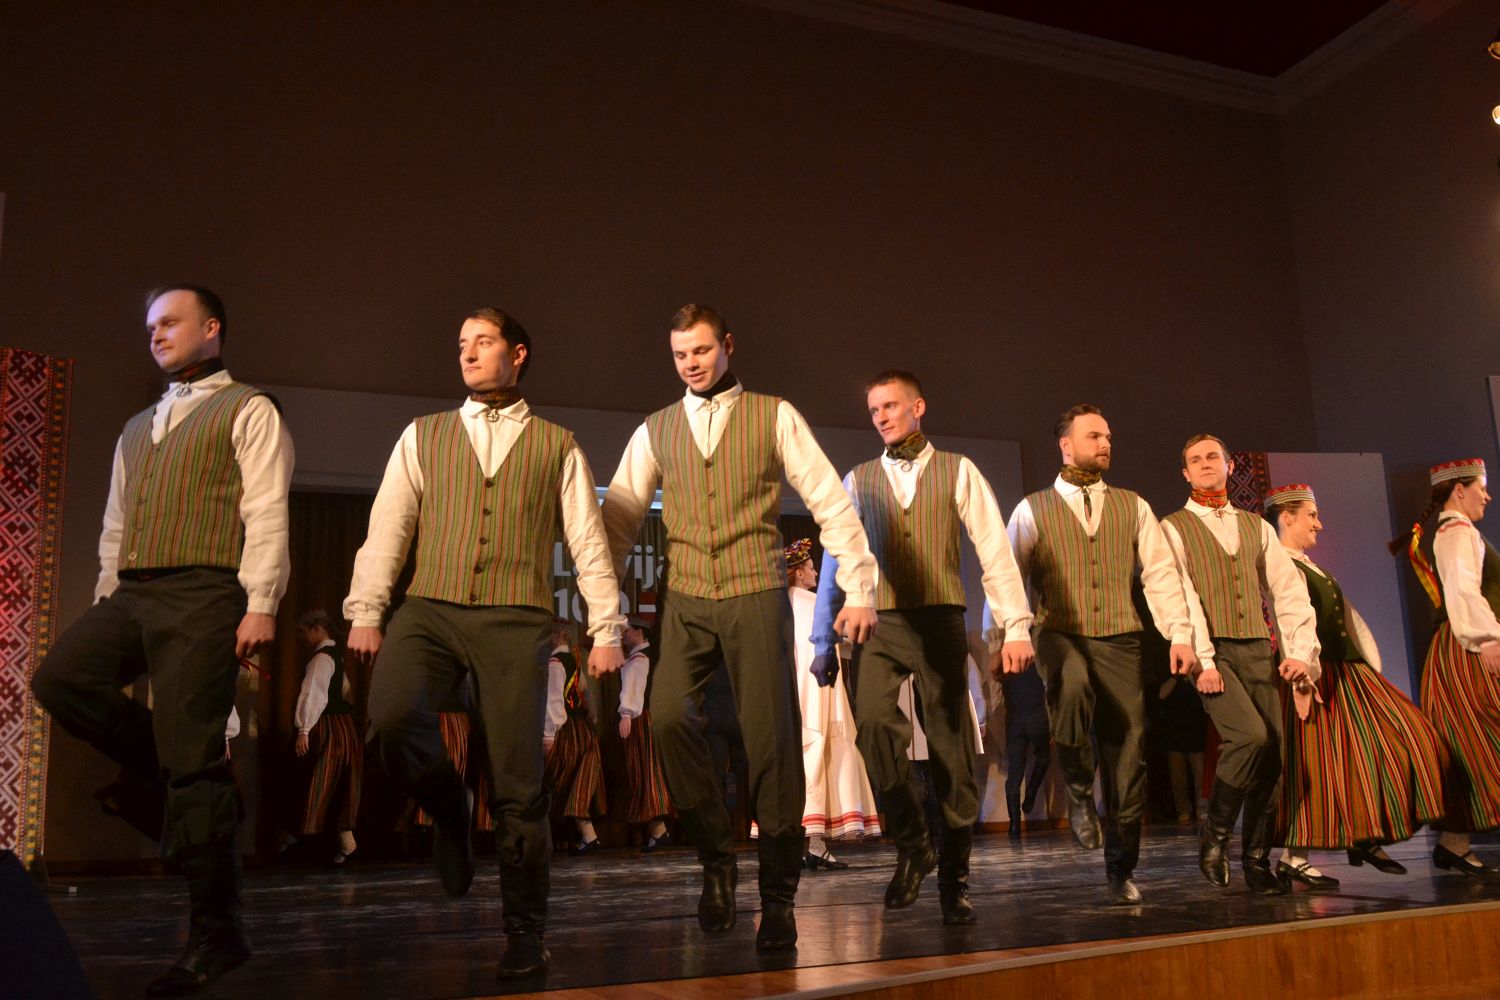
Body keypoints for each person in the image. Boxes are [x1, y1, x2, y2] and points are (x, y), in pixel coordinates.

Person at [345, 307, 624, 979]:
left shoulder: (557, 445)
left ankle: (526, 931)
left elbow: (587, 542)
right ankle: (449, 803)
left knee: (519, 782)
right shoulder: (423, 435)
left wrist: (606, 626)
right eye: (462, 344)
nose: (467, 354)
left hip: (516, 615)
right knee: (389, 717)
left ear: (517, 353)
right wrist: (367, 608)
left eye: (483, 342)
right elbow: (389, 526)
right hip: (431, 606)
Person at [32, 285, 294, 995]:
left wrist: (261, 602)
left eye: (170, 322)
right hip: (135, 591)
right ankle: (171, 773)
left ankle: (218, 934)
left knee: (194, 763)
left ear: (212, 329)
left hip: (206, 593)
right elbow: (115, 525)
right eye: (150, 326)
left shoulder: (248, 409)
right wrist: (105, 602)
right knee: (59, 679)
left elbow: (267, 511)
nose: (156, 334)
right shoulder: (136, 427)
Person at [601, 303, 878, 951]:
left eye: (701, 350)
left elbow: (829, 501)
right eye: (680, 355)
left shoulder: (772, 415)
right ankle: (714, 860)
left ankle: (778, 896)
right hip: (687, 595)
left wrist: (861, 587)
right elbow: (617, 522)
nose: (691, 364)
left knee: (772, 742)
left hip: (754, 589)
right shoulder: (656, 429)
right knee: (669, 717)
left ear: (727, 345)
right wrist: (601, 615)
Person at [812, 369, 1031, 923]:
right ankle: (914, 844)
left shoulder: (959, 470)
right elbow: (835, 560)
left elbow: (994, 553)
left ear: (918, 407)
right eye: (874, 410)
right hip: (879, 622)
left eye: (890, 406)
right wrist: (821, 638)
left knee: (951, 750)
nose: (881, 417)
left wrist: (1015, 627)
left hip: (939, 620)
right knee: (873, 728)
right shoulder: (859, 479)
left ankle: (955, 880)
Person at [998, 404, 1198, 905]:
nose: (1106, 443)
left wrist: (1179, 634)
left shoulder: (1133, 506)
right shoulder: (1032, 509)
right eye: (1094, 436)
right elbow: (1007, 575)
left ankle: (1120, 867)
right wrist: (1007, 634)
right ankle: (1079, 788)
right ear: (1065, 445)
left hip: (1120, 636)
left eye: (1108, 436)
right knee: (1070, 683)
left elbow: (1160, 574)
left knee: (1128, 751)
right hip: (1058, 630)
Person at [1263, 483, 1446, 888]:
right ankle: (1296, 857)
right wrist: (1303, 677)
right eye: (1311, 516)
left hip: (1347, 672)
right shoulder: (1281, 566)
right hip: (1314, 674)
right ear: (1286, 518)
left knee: (1397, 741)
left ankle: (1364, 835)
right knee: (1317, 762)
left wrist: (1366, 661)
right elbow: (1291, 622)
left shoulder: (1309, 565)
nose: (1319, 524)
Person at [1161, 435, 1318, 895]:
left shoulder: (1256, 527)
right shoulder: (1173, 527)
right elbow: (1180, 594)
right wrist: (1204, 660)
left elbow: (1287, 591)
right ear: (1185, 473)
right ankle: (1215, 835)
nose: (1205, 464)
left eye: (1213, 457)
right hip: (1212, 652)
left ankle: (1256, 861)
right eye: (1195, 460)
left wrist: (1297, 652)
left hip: (1256, 649)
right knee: (1249, 736)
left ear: (1229, 466)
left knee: (1273, 757)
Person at [1391, 458, 1500, 874]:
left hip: (1458, 646)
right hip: (1469, 646)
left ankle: (1455, 843)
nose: (1487, 496)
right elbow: (1463, 591)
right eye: (1481, 488)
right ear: (1459, 490)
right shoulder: (1457, 532)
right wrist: (1487, 638)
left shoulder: (1455, 530)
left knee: (1470, 743)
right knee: (1480, 737)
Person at [782, 538, 881, 871]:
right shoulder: (811, 604)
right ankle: (812, 843)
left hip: (795, 693)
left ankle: (810, 844)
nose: (815, 573)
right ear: (798, 573)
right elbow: (846, 636)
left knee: (805, 758)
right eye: (810, 568)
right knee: (823, 754)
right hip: (820, 689)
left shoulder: (783, 607)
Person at [292, 610, 361, 864]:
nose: (301, 637)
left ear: (317, 629)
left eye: (303, 631)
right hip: (344, 727)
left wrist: (304, 730)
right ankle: (344, 844)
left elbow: (313, 694)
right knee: (339, 782)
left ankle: (311, 841)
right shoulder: (335, 656)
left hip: (328, 727)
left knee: (319, 780)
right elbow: (346, 693)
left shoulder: (321, 659)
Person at [543, 618, 607, 853]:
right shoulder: (575, 660)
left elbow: (553, 702)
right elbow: (587, 695)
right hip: (583, 729)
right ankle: (581, 836)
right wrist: (593, 720)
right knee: (576, 782)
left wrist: (548, 735)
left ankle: (581, 836)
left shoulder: (555, 664)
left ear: (557, 636)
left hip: (567, 730)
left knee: (564, 782)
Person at [613, 618, 672, 850]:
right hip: (651, 718)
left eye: (627, 631)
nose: (623, 635)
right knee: (647, 771)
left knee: (641, 772)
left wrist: (626, 714)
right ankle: (658, 830)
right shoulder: (651, 656)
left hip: (640, 720)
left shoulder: (639, 659)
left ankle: (658, 829)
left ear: (639, 632)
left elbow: (633, 689)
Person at [1001, 660, 1051, 839]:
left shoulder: (1006, 661)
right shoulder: (1039, 661)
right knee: (1044, 755)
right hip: (1037, 717)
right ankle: (1031, 793)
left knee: (1014, 772)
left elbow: (997, 691)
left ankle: (1014, 824)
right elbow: (1049, 691)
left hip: (1014, 721)